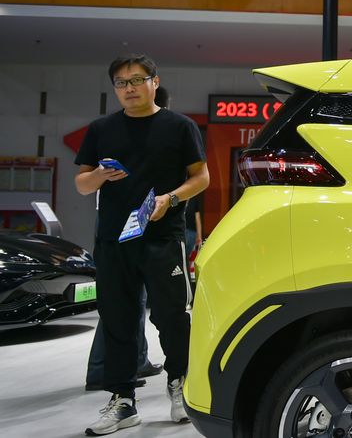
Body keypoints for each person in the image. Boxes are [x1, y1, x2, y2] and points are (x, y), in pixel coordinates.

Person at [74, 55, 209, 434]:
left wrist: (171, 199)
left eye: (137, 80)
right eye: (121, 82)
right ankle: (122, 400)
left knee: (171, 316)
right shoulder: (101, 129)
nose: (129, 88)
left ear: (154, 81)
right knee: (117, 318)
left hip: (163, 238)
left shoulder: (179, 126)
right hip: (113, 240)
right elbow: (82, 184)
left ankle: (179, 384)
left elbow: (202, 178)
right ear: (114, 88)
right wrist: (99, 174)